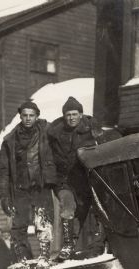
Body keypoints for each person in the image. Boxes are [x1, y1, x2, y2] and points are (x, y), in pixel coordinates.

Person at [0, 101, 57, 269]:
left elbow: (65, 129)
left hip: (40, 186)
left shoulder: (47, 131)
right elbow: (4, 171)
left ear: (37, 116)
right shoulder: (10, 140)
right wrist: (4, 196)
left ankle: (44, 257)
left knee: (43, 221)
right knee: (18, 225)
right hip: (20, 189)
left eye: (32, 115)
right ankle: (21, 260)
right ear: (20, 116)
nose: (28, 118)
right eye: (25, 115)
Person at [47, 96, 103, 260]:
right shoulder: (55, 133)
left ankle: (100, 242)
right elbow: (47, 156)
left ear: (80, 114)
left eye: (74, 114)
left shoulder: (91, 129)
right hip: (64, 181)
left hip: (86, 181)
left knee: (87, 212)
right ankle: (67, 246)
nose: (71, 118)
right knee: (68, 206)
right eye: (68, 115)